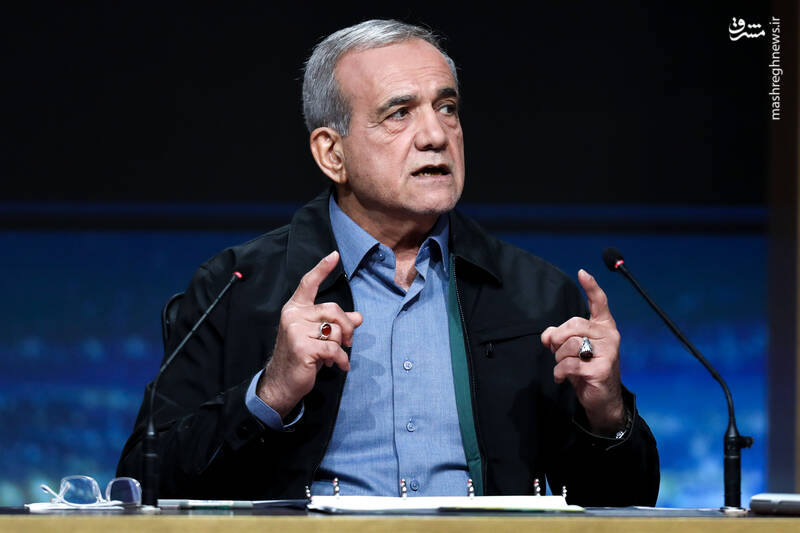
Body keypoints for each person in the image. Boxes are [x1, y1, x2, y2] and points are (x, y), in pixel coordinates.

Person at [118, 19, 659, 505]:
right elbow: (145, 482)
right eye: (399, 114)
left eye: (447, 108)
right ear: (332, 153)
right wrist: (270, 394)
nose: (436, 135)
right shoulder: (238, 287)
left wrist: (607, 414)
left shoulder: (538, 296)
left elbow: (625, 503)